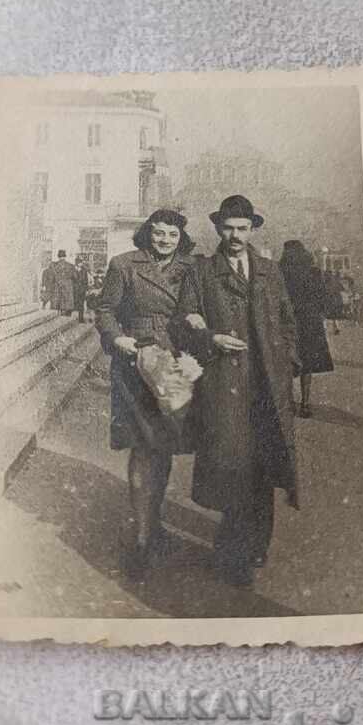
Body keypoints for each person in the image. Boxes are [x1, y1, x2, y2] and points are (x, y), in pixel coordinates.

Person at [180, 195, 297, 588]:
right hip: (225, 385)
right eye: (228, 228)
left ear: (253, 230)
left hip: (267, 386)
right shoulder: (201, 273)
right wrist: (211, 337)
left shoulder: (269, 271)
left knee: (263, 468)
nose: (235, 235)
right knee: (234, 468)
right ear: (217, 229)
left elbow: (287, 321)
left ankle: (256, 544)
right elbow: (185, 321)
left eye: (242, 228)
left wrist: (285, 364)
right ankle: (234, 553)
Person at [94, 209, 197, 578]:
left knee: (164, 448)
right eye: (159, 233)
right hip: (134, 363)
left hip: (171, 364)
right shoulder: (123, 265)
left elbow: (193, 312)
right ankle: (140, 539)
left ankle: (153, 525)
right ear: (147, 234)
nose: (165, 240)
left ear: (180, 238)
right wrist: (117, 337)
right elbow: (104, 309)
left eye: (172, 234)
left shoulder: (189, 270)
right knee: (142, 447)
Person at [279, 240, 333, 418]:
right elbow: (323, 296)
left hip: (287, 321)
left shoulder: (281, 272)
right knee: (307, 364)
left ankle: (287, 403)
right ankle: (305, 403)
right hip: (310, 322)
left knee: (287, 361)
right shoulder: (314, 272)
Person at [44, 249, 76, 315]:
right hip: (67, 289)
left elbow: (50, 279)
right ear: (65, 256)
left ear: (58, 256)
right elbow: (75, 277)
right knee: (67, 308)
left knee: (56, 309)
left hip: (57, 288)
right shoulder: (71, 266)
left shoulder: (53, 266)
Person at [74, 255, 90, 322]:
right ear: (77, 262)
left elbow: (86, 281)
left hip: (82, 290)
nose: (81, 263)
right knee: (72, 304)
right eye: (80, 262)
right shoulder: (72, 269)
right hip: (74, 290)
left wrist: (86, 290)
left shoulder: (84, 270)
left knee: (81, 305)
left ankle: (81, 318)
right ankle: (68, 318)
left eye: (82, 262)